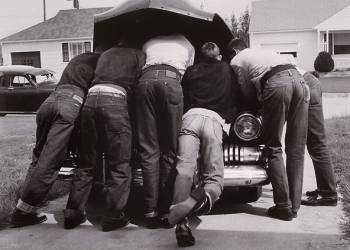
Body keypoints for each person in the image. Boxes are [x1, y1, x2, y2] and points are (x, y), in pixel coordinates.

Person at [10, 51, 101, 228]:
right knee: (50, 162)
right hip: (71, 103)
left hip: (49, 101)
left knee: (38, 160)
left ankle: (25, 207)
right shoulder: (101, 62)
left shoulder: (79, 59)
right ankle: (21, 214)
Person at [63, 40, 146, 231]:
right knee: (120, 164)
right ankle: (113, 216)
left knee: (86, 161)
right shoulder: (138, 54)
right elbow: (139, 88)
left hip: (91, 99)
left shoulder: (106, 54)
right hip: (116, 100)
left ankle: (72, 213)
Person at [228, 38, 310, 221]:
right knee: (296, 148)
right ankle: (294, 207)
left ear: (234, 51)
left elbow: (245, 91)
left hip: (277, 84)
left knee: (273, 147)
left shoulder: (237, 60)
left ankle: (283, 206)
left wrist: (254, 110)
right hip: (300, 81)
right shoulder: (261, 52)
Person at [168, 42, 239, 247]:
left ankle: (180, 221)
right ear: (218, 57)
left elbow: (181, 96)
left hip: (190, 118)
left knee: (184, 170)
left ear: (200, 57)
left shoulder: (191, 70)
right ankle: (197, 200)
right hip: (213, 121)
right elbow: (237, 94)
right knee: (214, 178)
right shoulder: (227, 68)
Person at [134, 33, 195, 228]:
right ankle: (166, 209)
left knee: (149, 149)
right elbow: (190, 74)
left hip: (145, 82)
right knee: (170, 148)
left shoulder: (148, 41)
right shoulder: (187, 42)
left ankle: (149, 211)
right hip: (172, 81)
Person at [300, 70, 338, 206]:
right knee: (314, 143)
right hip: (307, 83)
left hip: (306, 85)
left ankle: (329, 194)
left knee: (317, 143)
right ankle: (325, 188)